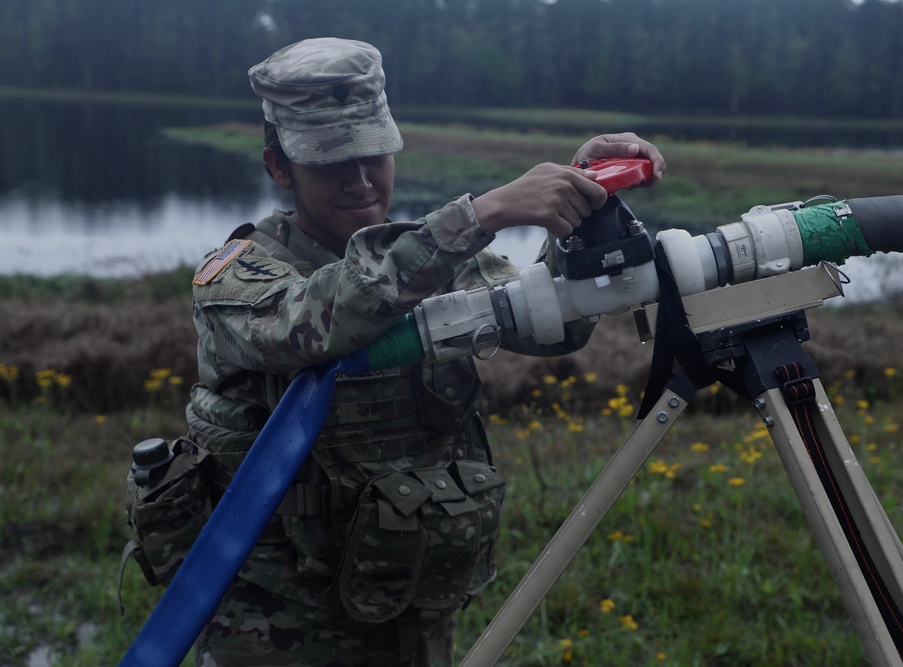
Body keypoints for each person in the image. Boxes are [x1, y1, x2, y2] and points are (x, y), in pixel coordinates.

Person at [183, 37, 665, 666]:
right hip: (280, 631)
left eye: (373, 155)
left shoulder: (431, 258)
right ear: (279, 167)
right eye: (333, 161)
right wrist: (482, 213)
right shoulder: (239, 277)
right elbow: (314, 322)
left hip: (413, 610)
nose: (360, 180)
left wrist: (581, 207)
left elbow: (555, 328)